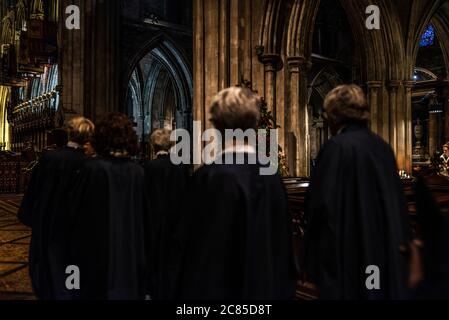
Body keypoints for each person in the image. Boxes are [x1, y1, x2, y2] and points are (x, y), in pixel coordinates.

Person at [177, 87, 296, 300]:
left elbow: (194, 252)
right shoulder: (271, 176)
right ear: (253, 123)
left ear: (216, 125)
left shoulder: (209, 177)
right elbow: (282, 247)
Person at [304, 84, 411, 300]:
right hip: (382, 252)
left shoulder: (335, 148)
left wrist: (313, 261)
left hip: (348, 254)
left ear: (333, 116)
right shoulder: (382, 147)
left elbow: (319, 208)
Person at [66, 113, 148, 300]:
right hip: (129, 252)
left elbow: (76, 214)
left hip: (97, 252)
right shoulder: (137, 172)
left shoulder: (93, 169)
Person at [18, 116, 95, 300]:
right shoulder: (90, 164)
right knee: (71, 277)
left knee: (46, 274)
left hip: (48, 227)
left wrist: (32, 218)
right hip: (74, 233)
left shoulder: (49, 158)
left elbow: (33, 191)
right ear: (87, 138)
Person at [143, 129, 189, 300]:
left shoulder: (148, 167)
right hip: (175, 222)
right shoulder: (181, 167)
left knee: (153, 259)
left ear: (154, 146)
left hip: (153, 220)